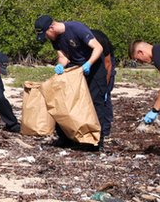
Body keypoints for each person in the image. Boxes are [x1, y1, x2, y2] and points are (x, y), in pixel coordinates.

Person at [34, 16, 106, 150]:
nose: (46, 37)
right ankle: (66, 137)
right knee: (64, 100)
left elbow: (98, 48)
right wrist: (60, 65)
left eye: (46, 34)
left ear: (52, 27)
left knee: (95, 102)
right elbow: (63, 57)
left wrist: (88, 64)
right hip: (74, 66)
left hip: (93, 65)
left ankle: (96, 140)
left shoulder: (76, 28)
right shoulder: (55, 38)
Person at [91, 29, 116, 139]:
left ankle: (105, 129)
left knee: (104, 95)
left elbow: (108, 65)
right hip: (90, 59)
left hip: (107, 60)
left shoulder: (101, 40)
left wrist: (104, 87)